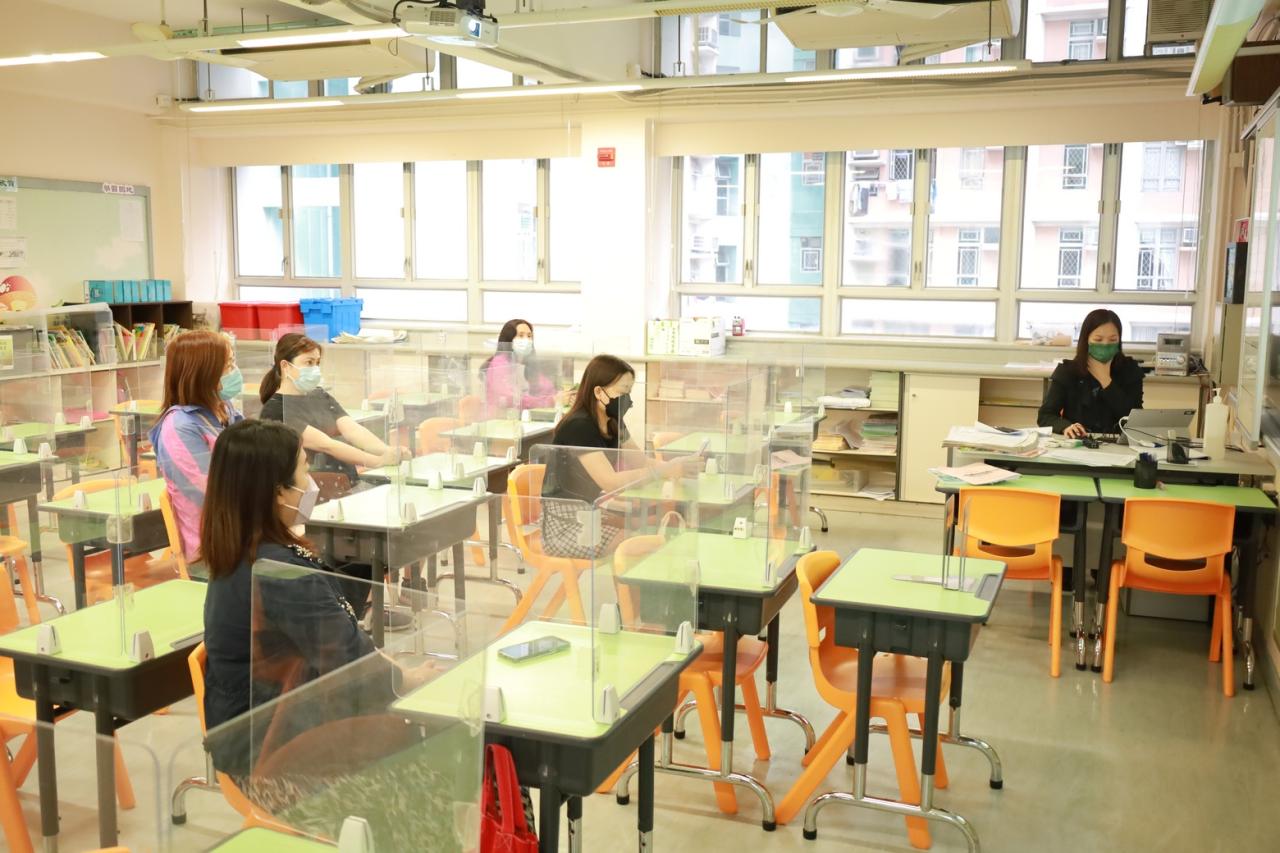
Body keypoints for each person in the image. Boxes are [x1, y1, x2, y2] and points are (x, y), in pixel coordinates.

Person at [199, 420, 447, 846]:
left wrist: (390, 670)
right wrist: (404, 680)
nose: (311, 480)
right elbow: (347, 661)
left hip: (266, 730)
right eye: (303, 468)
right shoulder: (278, 572)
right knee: (439, 768)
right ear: (278, 492)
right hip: (274, 759)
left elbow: (340, 644)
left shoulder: (244, 552)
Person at [539, 354, 694, 558]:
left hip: (591, 511)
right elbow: (610, 482)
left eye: (629, 392)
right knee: (636, 544)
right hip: (564, 524)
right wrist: (663, 471)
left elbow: (640, 461)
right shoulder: (579, 427)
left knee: (651, 525)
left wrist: (676, 466)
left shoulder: (613, 422)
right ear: (598, 392)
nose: (627, 399)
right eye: (622, 391)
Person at [259, 333, 407, 490]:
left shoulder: (318, 395)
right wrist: (377, 461)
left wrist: (389, 451)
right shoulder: (276, 410)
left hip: (346, 482)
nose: (315, 369)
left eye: (317, 363)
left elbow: (352, 429)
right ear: (285, 366)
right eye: (309, 362)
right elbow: (327, 445)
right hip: (313, 489)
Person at [150, 330, 244, 565]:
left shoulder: (223, 408)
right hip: (213, 549)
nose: (234, 372)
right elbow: (211, 493)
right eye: (228, 365)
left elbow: (253, 452)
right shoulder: (179, 426)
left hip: (244, 531)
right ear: (204, 372)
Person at [1038, 308, 1144, 438]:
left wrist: (1105, 380)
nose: (1105, 345)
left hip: (1118, 444)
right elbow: (1045, 416)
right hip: (1079, 443)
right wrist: (1065, 427)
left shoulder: (1130, 370)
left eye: (1112, 340)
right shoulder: (1068, 371)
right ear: (1086, 340)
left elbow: (1135, 420)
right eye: (1098, 340)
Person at [480, 318, 562, 416]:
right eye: (521, 335)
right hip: (499, 419)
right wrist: (550, 401)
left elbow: (544, 386)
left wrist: (560, 395)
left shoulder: (526, 363)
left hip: (520, 417)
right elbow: (511, 399)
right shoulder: (500, 363)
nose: (526, 340)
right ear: (509, 339)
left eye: (529, 336)